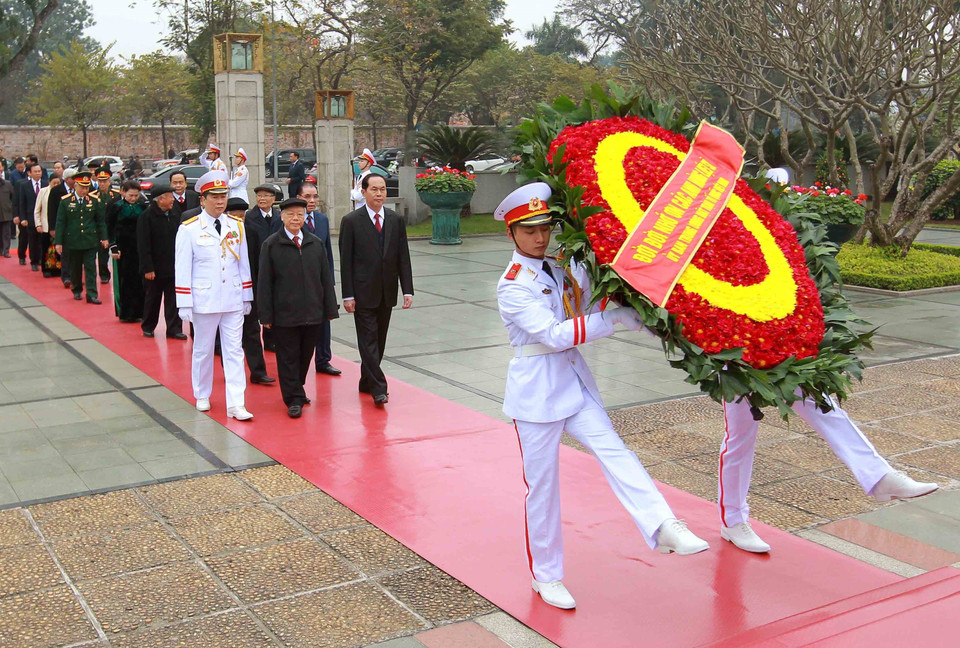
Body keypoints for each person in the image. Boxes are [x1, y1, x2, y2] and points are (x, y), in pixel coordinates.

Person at [495, 183, 709, 610]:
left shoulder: (559, 266)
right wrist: (614, 319)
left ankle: (663, 523)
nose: (541, 237)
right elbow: (555, 335)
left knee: (616, 452)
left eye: (546, 228)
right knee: (542, 489)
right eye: (529, 230)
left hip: (573, 383)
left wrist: (638, 314)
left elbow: (586, 308)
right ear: (512, 234)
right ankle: (547, 576)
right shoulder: (512, 284)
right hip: (537, 393)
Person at [717, 395, 939, 553]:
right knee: (740, 435)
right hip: (736, 355)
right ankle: (733, 520)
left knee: (825, 407)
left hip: (782, 345)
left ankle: (880, 477)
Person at [175, 170, 254, 421]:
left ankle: (236, 403)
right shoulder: (189, 229)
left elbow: (244, 264)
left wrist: (246, 295)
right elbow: (182, 267)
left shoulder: (237, 225)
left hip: (231, 297)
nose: (220, 202)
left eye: (223, 196)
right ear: (202, 199)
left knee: (234, 351)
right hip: (204, 299)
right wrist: (184, 302)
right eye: (215, 197)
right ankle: (201, 393)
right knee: (203, 349)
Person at [258, 198, 338, 417]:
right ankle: (293, 398)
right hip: (284, 315)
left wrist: (330, 308)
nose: (295, 218)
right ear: (282, 217)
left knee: (305, 356)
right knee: (288, 357)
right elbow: (264, 282)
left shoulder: (314, 243)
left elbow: (325, 278)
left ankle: (297, 388)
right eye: (290, 214)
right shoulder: (271, 245)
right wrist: (265, 314)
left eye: (299, 215)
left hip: (313, 313)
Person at [339, 174, 413, 405]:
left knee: (379, 341)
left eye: (382, 189)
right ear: (364, 192)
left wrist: (407, 290)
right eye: (374, 189)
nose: (379, 194)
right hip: (362, 294)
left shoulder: (394, 219)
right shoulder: (351, 221)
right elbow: (346, 261)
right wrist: (348, 295)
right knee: (368, 340)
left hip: (387, 292)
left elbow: (403, 257)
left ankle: (365, 381)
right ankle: (379, 388)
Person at [227, 195, 274, 385]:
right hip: (227, 291)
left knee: (252, 332)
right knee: (229, 336)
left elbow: (257, 264)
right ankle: (231, 372)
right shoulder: (220, 232)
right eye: (235, 217)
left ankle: (258, 372)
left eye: (242, 217)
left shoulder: (251, 233)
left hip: (248, 290)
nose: (239, 221)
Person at [297, 181, 340, 376]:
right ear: (299, 198)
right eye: (307, 197)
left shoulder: (322, 220)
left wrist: (330, 281)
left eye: (315, 196)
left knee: (325, 322)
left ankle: (323, 360)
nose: (312, 201)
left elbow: (328, 253)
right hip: (299, 282)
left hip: (321, 282)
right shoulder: (292, 220)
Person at [138, 183, 186, 340]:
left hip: (173, 266)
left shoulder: (175, 213)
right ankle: (148, 326)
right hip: (155, 268)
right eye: (170, 197)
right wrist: (147, 268)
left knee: (173, 300)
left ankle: (174, 329)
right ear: (160, 199)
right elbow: (143, 244)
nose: (173, 200)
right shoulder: (147, 217)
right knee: (153, 298)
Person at [54, 172, 108, 303]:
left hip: (90, 240)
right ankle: (77, 289)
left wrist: (104, 238)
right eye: (82, 187)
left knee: (91, 267)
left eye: (87, 188)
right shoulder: (66, 201)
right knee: (75, 267)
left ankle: (92, 294)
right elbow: (60, 222)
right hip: (73, 240)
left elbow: (100, 221)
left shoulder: (94, 201)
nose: (84, 191)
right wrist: (59, 242)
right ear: (76, 186)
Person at [106, 179, 146, 322]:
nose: (133, 198)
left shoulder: (142, 206)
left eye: (136, 195)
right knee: (125, 279)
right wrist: (113, 245)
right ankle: (126, 312)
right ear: (123, 192)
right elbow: (110, 227)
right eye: (130, 195)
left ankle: (140, 311)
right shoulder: (116, 206)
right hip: (122, 247)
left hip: (138, 246)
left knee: (139, 279)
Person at [14, 161, 47, 270]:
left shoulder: (46, 184)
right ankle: (33, 261)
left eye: (39, 171)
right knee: (32, 240)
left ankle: (42, 259)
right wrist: (22, 217)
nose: (38, 173)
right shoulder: (24, 185)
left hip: (43, 217)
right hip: (29, 217)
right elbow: (21, 203)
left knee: (42, 240)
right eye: (35, 171)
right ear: (29, 173)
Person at [90, 167, 119, 284]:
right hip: (99, 230)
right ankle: (104, 274)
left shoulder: (116, 195)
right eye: (100, 181)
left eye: (104, 181)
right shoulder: (92, 196)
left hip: (113, 229)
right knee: (102, 255)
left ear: (109, 181)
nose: (102, 183)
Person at [34, 173, 61, 277]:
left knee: (58, 248)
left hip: (58, 225)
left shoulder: (61, 192)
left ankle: (58, 268)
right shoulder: (43, 191)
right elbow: (37, 210)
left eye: (58, 183)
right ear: (50, 182)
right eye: (54, 183)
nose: (56, 185)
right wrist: (38, 224)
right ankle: (46, 269)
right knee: (46, 248)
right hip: (46, 225)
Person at [52, 169, 76, 288]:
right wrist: (52, 228)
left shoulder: (78, 190)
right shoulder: (56, 191)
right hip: (63, 227)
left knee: (76, 254)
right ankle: (66, 276)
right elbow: (51, 211)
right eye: (73, 178)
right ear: (67, 179)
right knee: (65, 254)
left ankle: (75, 276)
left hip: (76, 227)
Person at [0, 163, 13, 256]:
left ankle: (6, 250)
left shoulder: (7, 184)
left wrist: (10, 207)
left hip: (6, 213)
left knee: (6, 233)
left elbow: (13, 197)